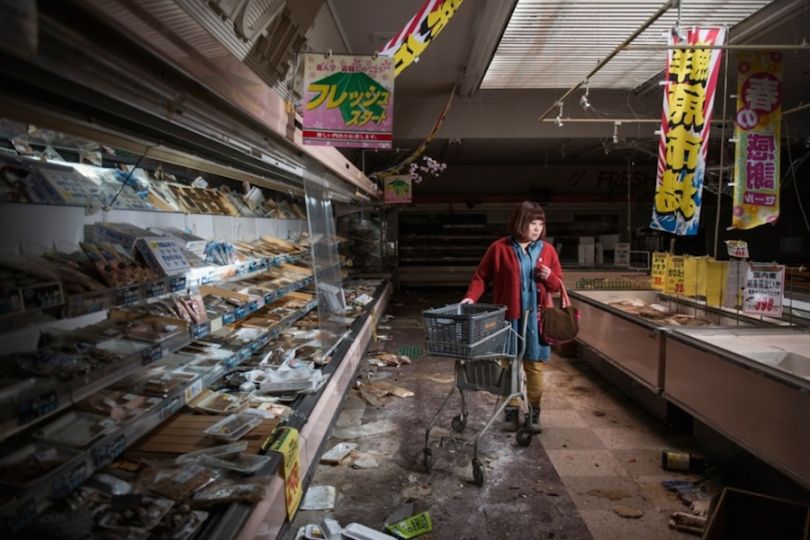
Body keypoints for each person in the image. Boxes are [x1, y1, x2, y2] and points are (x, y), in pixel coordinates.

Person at [460, 201, 563, 431]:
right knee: (509, 364)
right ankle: (511, 410)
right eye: (531, 223)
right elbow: (481, 276)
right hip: (509, 318)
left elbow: (557, 285)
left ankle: (534, 412)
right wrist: (471, 297)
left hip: (537, 320)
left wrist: (548, 277)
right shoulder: (499, 248)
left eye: (540, 223)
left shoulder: (547, 250)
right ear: (519, 223)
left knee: (534, 366)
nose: (536, 228)